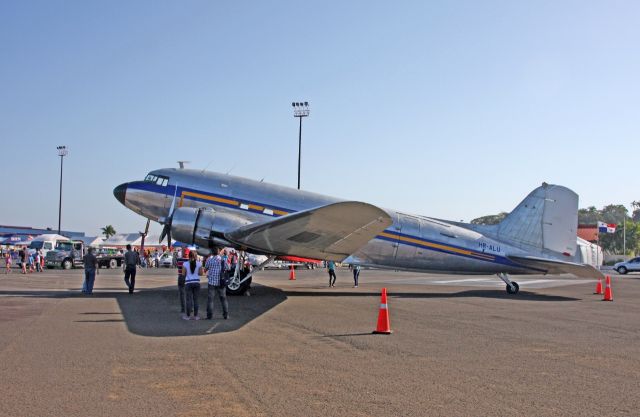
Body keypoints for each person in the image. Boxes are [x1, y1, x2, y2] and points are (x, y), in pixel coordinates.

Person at [204, 247, 229, 320]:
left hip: (211, 282)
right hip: (221, 282)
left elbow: (205, 269)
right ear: (218, 252)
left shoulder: (209, 260)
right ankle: (226, 315)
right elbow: (228, 268)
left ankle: (209, 316)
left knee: (210, 300)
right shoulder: (222, 260)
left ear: (212, 252)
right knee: (223, 299)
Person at [182, 251, 203, 320]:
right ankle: (196, 316)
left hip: (188, 283)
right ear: (196, 256)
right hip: (196, 282)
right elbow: (201, 274)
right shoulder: (199, 264)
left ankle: (188, 316)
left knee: (188, 300)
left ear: (189, 256)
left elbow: (183, 274)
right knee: (196, 300)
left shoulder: (185, 264)